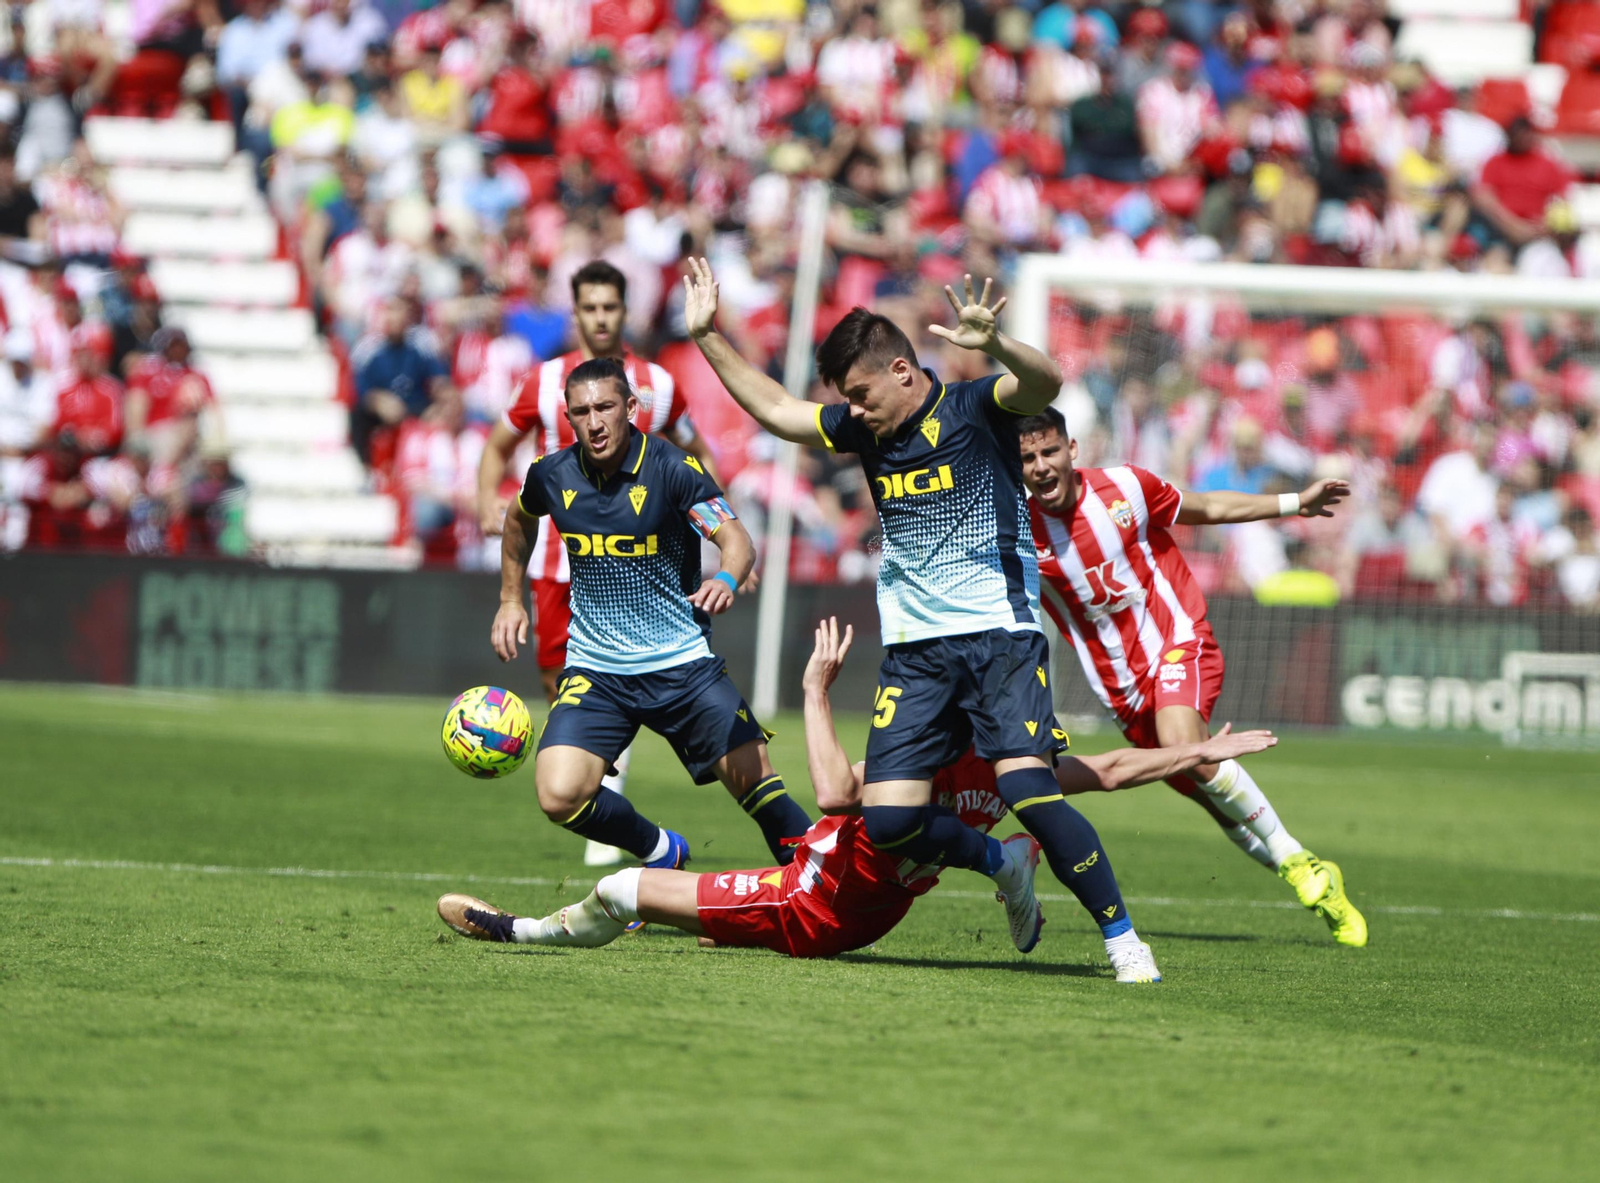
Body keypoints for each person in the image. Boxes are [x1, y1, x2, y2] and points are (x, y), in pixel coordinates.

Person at [685, 258, 1125, 959]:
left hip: (998, 635)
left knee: (1030, 789)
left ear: (900, 371)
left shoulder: (976, 407)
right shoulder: (869, 431)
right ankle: (1001, 862)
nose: (853, 413)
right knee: (888, 819)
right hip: (918, 651)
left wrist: (999, 343)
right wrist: (708, 336)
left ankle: (1124, 941)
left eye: (860, 395)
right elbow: (775, 410)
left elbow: (1044, 383)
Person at [439, 618, 1277, 981]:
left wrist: (812, 691)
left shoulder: (922, 755)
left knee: (623, 892)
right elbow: (1111, 770)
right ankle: (1001, 857)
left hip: (820, 905)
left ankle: (521, 931)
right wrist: (1196, 751)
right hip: (840, 873)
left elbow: (839, 791)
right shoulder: (1006, 760)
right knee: (680, 908)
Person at [1015, 406, 1367, 946]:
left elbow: (1205, 506)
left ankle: (1296, 862)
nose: (1041, 466)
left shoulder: (1126, 488)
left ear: (1072, 449)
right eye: (1028, 458)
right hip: (1124, 694)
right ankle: (1311, 873)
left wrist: (1296, 502)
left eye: (1049, 451)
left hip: (1180, 643)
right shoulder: (1016, 530)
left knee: (1190, 749)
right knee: (1212, 793)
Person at [489, 357, 811, 874]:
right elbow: (518, 519)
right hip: (598, 671)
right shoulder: (551, 474)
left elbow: (736, 538)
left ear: (632, 408)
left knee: (758, 783)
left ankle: (815, 885)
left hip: (681, 664)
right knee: (558, 794)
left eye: (605, 407)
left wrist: (726, 578)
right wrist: (510, 598)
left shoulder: (673, 469)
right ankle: (662, 851)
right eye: (581, 412)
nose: (594, 422)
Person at [476, 260, 714, 865]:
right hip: (558, 561)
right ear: (575, 311)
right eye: (590, 308)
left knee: (608, 686)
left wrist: (723, 533)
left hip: (637, 570)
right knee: (557, 686)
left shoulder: (658, 384)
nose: (601, 318)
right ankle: (604, 784)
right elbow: (498, 445)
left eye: (611, 307)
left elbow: (695, 453)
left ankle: (609, 789)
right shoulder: (542, 381)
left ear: (624, 311)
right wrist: (489, 503)